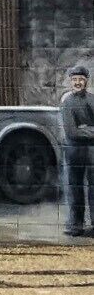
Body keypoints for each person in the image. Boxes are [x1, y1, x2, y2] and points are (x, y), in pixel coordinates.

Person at [59, 65, 94, 236]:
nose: (77, 83)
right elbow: (71, 131)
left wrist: (84, 129)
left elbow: (78, 130)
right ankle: (76, 225)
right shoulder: (67, 102)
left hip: (92, 151)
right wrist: (89, 130)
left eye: (81, 79)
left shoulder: (92, 100)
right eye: (74, 80)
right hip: (73, 151)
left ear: (86, 81)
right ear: (70, 82)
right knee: (74, 188)